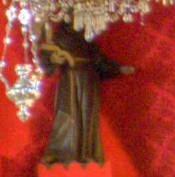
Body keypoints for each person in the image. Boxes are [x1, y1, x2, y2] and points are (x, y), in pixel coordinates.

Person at [38, 19, 125, 166]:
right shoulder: (60, 36)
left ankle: (86, 154)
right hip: (70, 78)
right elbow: (47, 54)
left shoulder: (87, 39)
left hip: (89, 80)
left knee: (87, 117)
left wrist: (118, 69)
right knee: (67, 114)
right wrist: (54, 59)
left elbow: (99, 60)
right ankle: (60, 153)